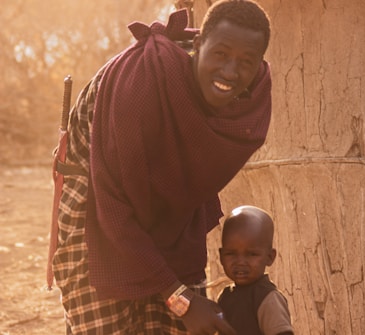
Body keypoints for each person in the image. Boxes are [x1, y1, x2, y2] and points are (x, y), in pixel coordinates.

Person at [49, 1, 272, 334]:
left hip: (172, 218)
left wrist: (179, 294)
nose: (230, 72)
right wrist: (178, 295)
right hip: (96, 215)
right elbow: (112, 207)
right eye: (221, 55)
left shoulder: (252, 103)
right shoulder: (138, 87)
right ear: (198, 46)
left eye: (245, 62)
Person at [218, 205, 294, 335]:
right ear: (221, 256)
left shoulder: (268, 298)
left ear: (269, 257)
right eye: (231, 253)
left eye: (251, 254)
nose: (240, 262)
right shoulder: (226, 296)